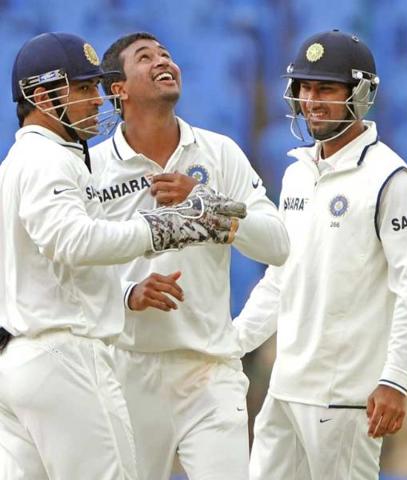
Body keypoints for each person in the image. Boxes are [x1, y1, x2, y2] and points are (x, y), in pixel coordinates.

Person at [0, 32, 248, 480]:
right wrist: (160, 229)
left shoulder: (17, 160)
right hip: (64, 358)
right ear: (41, 96)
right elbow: (70, 241)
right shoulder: (48, 158)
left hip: (18, 359)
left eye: (95, 88)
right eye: (80, 90)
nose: (96, 101)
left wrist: (125, 291)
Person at [233, 30, 407, 480]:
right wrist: (231, 345)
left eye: (326, 88)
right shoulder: (297, 174)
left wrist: (395, 379)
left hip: (344, 395)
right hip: (285, 388)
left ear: (360, 94)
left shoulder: (391, 179)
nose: (311, 100)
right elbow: (280, 278)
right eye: (304, 87)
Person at [90, 32, 289, 480]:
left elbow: (278, 244)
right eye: (145, 58)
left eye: (166, 54)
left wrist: (209, 205)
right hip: (127, 368)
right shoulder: (93, 167)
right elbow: (67, 264)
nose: (164, 62)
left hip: (209, 369)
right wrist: (128, 293)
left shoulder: (218, 153)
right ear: (117, 89)